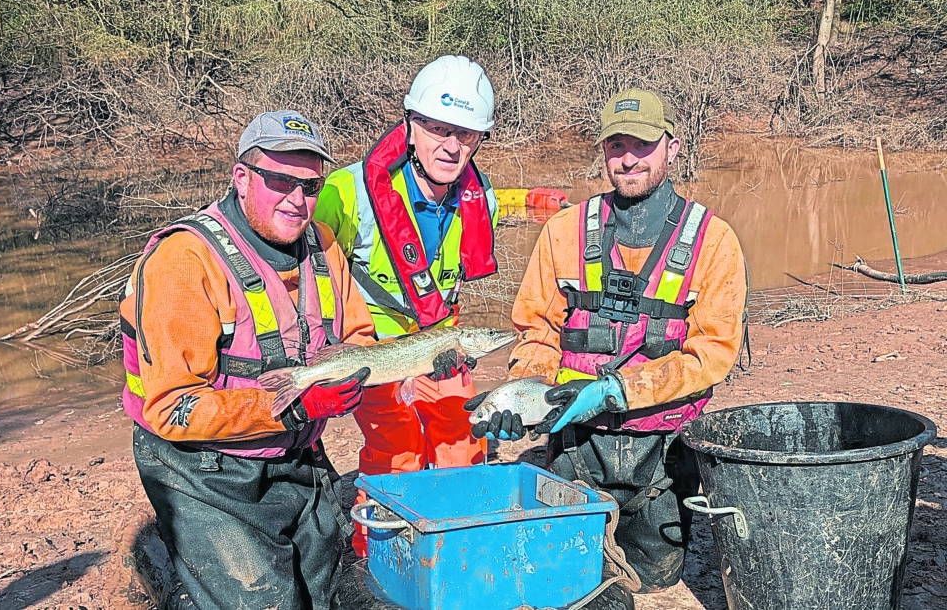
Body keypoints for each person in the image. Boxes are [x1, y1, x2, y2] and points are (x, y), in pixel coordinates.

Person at [477, 88, 748, 607]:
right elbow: (535, 332)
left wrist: (615, 391)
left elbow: (712, 354)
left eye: (643, 144)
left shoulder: (715, 242)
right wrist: (526, 393)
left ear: (673, 147)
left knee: (655, 580)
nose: (627, 159)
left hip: (664, 451)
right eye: (615, 145)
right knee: (570, 579)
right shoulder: (562, 232)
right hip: (576, 445)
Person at [119, 110, 376, 610]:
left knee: (322, 592)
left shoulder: (322, 243)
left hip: (294, 453)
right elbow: (172, 407)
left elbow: (360, 337)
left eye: (310, 185)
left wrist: (389, 371)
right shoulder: (183, 260)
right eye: (280, 180)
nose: (297, 200)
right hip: (198, 466)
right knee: (266, 601)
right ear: (242, 177)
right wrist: (297, 407)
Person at [314, 55, 499, 556]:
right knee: (397, 450)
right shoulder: (345, 192)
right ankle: (376, 550)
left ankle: (457, 542)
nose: (452, 145)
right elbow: (297, 261)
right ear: (410, 126)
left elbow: (453, 288)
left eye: (466, 134)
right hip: (371, 347)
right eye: (438, 128)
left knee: (462, 440)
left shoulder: (483, 203)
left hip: (439, 343)